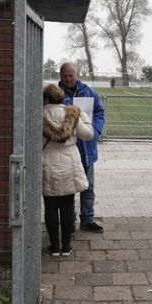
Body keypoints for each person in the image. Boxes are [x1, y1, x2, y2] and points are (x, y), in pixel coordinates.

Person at [42, 84, 93, 256]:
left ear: (46, 98)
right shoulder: (72, 115)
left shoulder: (40, 114)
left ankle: (54, 247)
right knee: (67, 205)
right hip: (69, 164)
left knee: (50, 206)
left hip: (47, 163)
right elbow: (88, 135)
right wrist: (84, 117)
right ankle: (66, 246)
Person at [58, 62, 106, 232]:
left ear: (76, 74)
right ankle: (69, 221)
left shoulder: (88, 92)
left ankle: (87, 219)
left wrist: (96, 130)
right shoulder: (56, 95)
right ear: (60, 76)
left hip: (87, 149)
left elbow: (99, 112)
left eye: (71, 75)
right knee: (69, 188)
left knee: (88, 187)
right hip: (67, 150)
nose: (68, 79)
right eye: (65, 76)